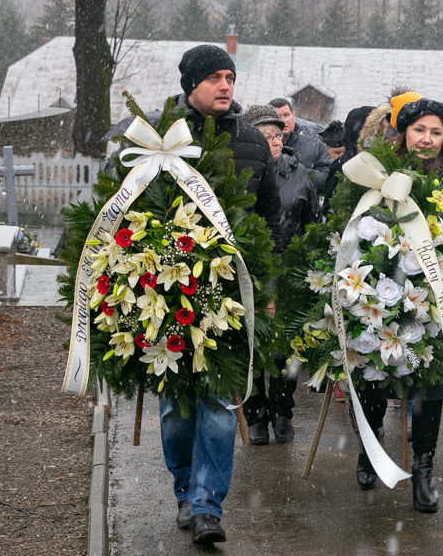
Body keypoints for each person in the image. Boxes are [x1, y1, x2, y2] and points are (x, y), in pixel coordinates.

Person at [158, 44, 281, 546]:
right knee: (176, 405)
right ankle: (185, 489)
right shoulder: (161, 140)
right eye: (213, 77)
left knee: (216, 401)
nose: (225, 85)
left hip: (232, 292)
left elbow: (270, 220)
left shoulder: (252, 142)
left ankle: (208, 505)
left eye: (229, 76)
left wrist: (266, 284)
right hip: (167, 290)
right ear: (191, 84)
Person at [355, 91, 443, 513]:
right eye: (419, 130)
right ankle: (370, 449)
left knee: (430, 385)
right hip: (378, 283)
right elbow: (359, 223)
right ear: (403, 134)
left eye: (436, 132)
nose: (427, 139)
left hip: (433, 293)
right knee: (371, 372)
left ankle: (423, 469)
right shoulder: (378, 169)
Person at [240, 104, 320, 445]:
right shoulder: (242, 174)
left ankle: (283, 411)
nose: (273, 141)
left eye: (277, 134)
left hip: (290, 273)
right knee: (254, 348)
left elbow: (313, 223)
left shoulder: (298, 173)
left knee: (289, 348)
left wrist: (309, 262)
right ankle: (255, 413)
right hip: (253, 273)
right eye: (265, 135)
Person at [268, 98, 334, 194]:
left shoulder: (314, 145)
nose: (283, 120)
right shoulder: (262, 146)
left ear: (293, 115)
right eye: (278, 116)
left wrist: (298, 172)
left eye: (286, 115)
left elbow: (329, 178)